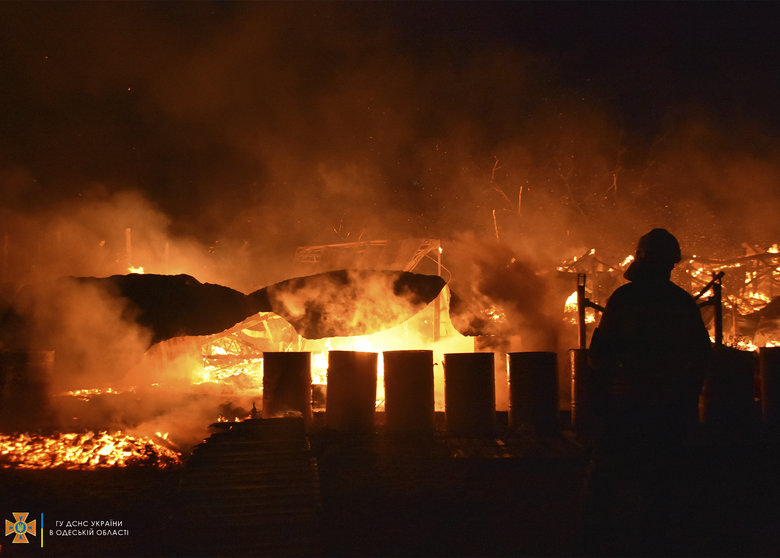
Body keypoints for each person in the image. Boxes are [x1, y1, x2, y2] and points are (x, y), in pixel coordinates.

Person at [582, 228, 712, 555]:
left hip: (627, 407)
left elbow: (600, 356)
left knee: (608, 479)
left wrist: (604, 394)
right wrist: (685, 397)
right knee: (662, 483)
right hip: (668, 409)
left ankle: (597, 540)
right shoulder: (681, 303)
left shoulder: (625, 300)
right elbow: (700, 358)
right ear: (669, 264)